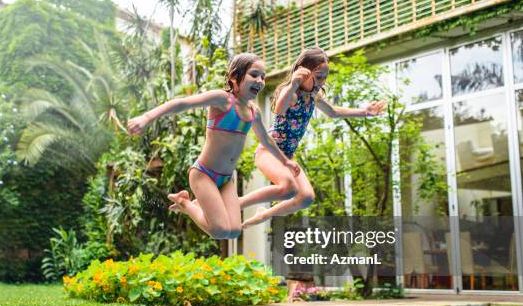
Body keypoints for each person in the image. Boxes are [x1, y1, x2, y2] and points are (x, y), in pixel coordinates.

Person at [127, 53, 300, 239]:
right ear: (235, 77)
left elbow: (266, 141)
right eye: (254, 75)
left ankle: (188, 203)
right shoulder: (223, 100)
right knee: (220, 231)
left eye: (263, 77)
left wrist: (285, 162)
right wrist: (146, 118)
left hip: (226, 179)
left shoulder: (253, 112)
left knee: (234, 231)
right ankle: (185, 204)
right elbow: (182, 103)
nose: (260, 80)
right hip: (203, 174)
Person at [240, 48, 386, 228]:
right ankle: (238, 203)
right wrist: (294, 83)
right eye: (318, 76)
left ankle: (264, 215)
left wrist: (364, 112)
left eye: (325, 76)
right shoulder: (291, 92)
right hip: (269, 152)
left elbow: (332, 112)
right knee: (287, 187)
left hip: (288, 157)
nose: (322, 81)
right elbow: (279, 108)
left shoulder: (313, 96)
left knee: (306, 198)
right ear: (303, 71)